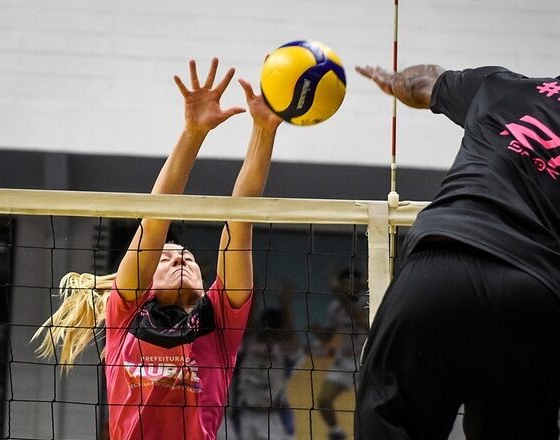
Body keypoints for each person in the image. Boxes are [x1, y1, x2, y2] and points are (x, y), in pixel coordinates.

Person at [354, 14, 560, 439]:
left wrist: (393, 80)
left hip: (439, 270)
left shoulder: (503, 88)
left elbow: (424, 81)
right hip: (540, 302)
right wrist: (532, 309)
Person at [32, 57, 282, 440]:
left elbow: (240, 219)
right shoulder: (127, 311)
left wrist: (264, 131)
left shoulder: (219, 322)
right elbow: (155, 218)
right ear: (147, 281)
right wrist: (193, 133)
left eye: (188, 257)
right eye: (166, 257)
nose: (181, 257)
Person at [228, 279, 303, 440]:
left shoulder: (285, 352)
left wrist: (286, 304)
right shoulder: (247, 345)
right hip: (245, 415)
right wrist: (253, 294)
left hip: (275, 418)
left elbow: (291, 337)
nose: (269, 335)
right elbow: (245, 326)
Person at [313, 269, 368, 440]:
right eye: (344, 284)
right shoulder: (336, 306)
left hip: (366, 362)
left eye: (352, 283)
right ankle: (336, 431)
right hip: (343, 361)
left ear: (361, 284)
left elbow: (362, 321)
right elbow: (328, 336)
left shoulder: (368, 301)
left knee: (366, 408)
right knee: (323, 400)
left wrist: (339, 295)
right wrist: (318, 332)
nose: (348, 287)